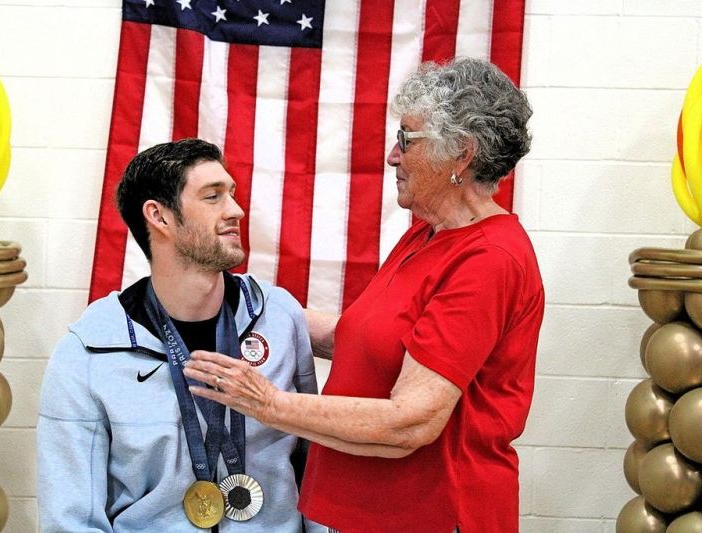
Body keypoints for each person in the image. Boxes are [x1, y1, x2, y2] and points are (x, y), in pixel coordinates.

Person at [183, 57, 545, 533]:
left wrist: (268, 404)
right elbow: (358, 340)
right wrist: (238, 298)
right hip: (368, 513)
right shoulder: (428, 236)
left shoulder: (489, 259)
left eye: (406, 140)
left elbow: (409, 423)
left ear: (461, 153)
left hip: (429, 515)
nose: (393, 156)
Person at [37, 139, 324, 532]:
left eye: (232, 194)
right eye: (213, 197)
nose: (235, 210)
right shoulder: (86, 354)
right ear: (160, 217)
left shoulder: (279, 316)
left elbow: (315, 466)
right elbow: (70, 520)